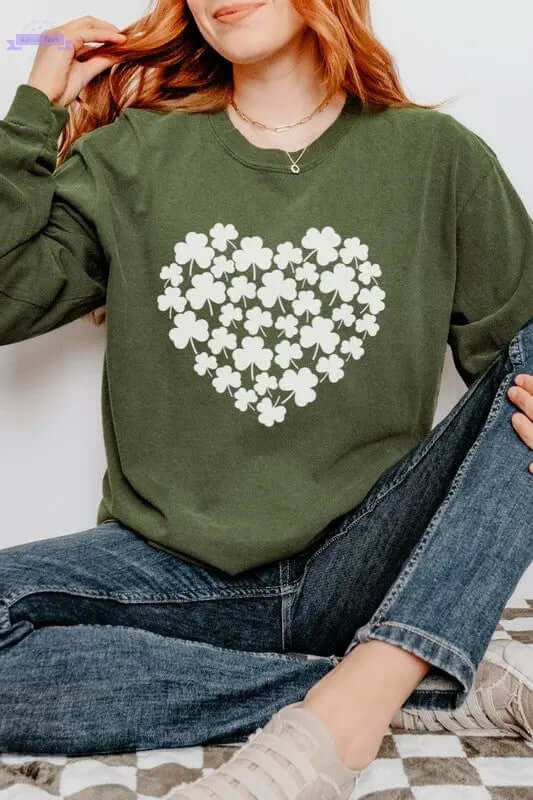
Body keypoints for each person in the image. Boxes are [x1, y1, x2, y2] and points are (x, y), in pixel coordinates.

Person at [0, 1, 532, 798]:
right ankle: (385, 686)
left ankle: (364, 689)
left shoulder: (436, 157)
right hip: (171, 572)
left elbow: (512, 366)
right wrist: (37, 101)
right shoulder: (133, 155)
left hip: (372, 559)